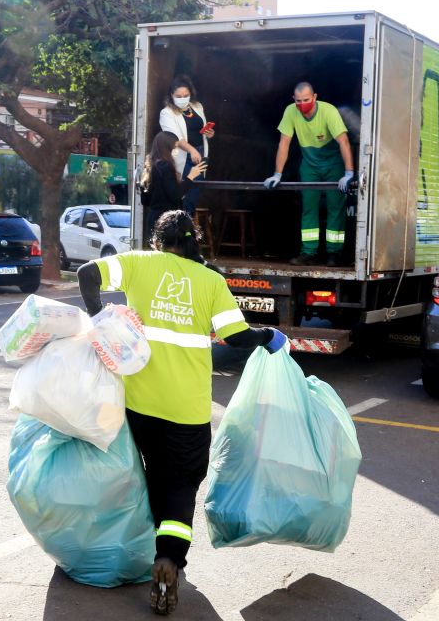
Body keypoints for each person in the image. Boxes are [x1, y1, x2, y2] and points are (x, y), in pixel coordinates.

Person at [77, 210, 287, 616]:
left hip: (137, 404)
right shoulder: (211, 281)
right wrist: (267, 337)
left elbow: (87, 273)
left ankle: (124, 549)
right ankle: (168, 560)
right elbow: (236, 336)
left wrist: (99, 318)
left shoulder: (140, 263)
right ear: (194, 242)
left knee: (144, 473)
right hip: (186, 411)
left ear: (158, 241)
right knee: (180, 486)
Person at [263, 82, 356, 266]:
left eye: (306, 100)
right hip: (310, 166)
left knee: (335, 208)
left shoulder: (328, 111)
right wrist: (277, 174)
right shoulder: (291, 111)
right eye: (298, 101)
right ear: (293, 100)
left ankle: (334, 253)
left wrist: (349, 172)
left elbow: (343, 141)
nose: (302, 104)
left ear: (314, 97)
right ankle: (308, 252)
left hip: (333, 165)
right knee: (309, 208)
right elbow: (284, 143)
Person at [159, 76, 215, 216]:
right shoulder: (166, 113)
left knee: (193, 196)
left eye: (186, 95)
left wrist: (209, 133)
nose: (182, 98)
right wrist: (192, 150)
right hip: (182, 158)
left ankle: (187, 230)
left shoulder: (197, 107)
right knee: (180, 196)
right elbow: (175, 139)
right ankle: (178, 230)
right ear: (171, 95)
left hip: (200, 155)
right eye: (178, 96)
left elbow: (201, 129)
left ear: (191, 94)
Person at [141, 131, 206, 240]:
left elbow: (145, 200)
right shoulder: (165, 166)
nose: (176, 151)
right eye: (174, 147)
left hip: (153, 219)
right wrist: (191, 176)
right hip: (167, 221)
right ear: (168, 147)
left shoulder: (150, 166)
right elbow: (176, 195)